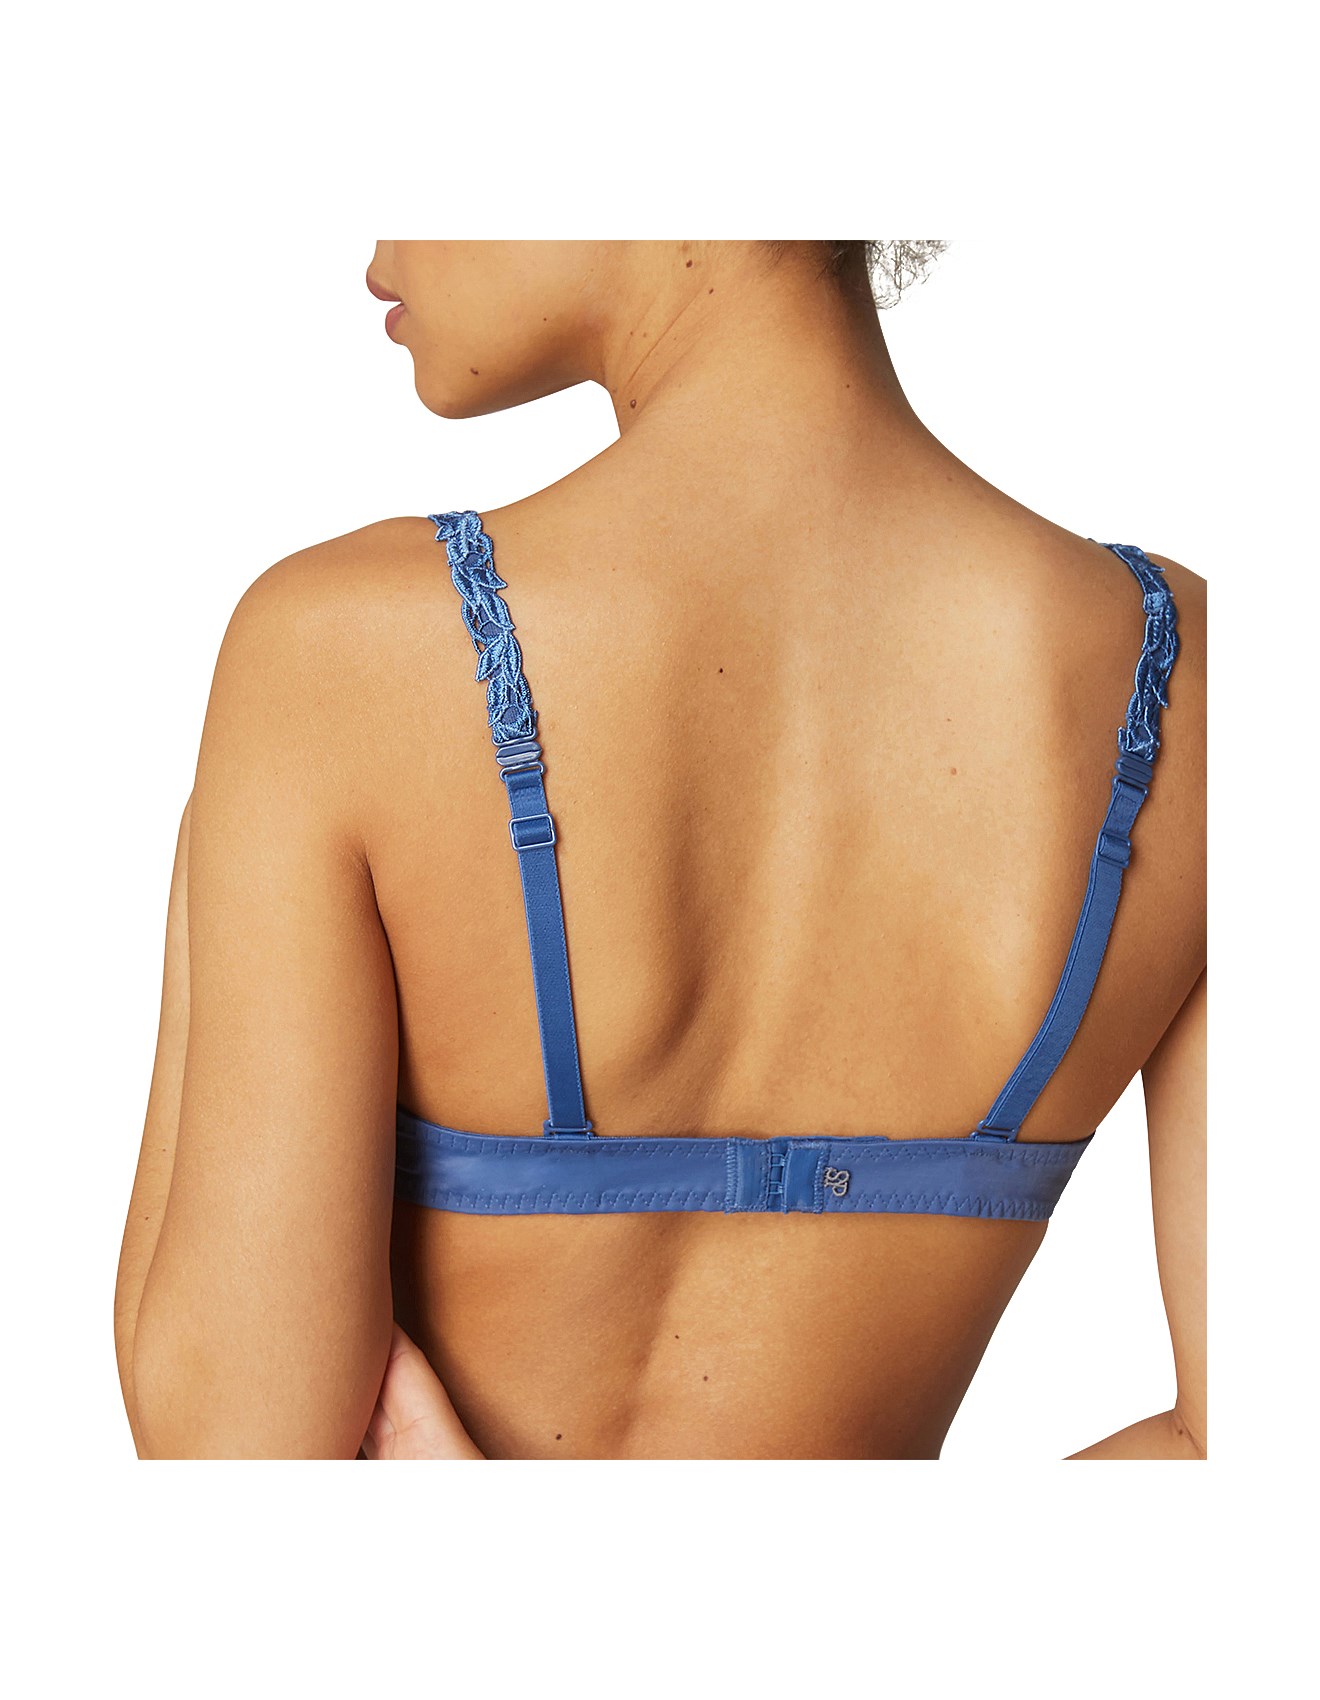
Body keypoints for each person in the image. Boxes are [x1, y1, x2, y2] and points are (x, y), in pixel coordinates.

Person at [113, 241, 1206, 1460]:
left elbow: (228, 1448)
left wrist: (234, 808)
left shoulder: (338, 653)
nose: (379, 244)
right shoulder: (1196, 682)